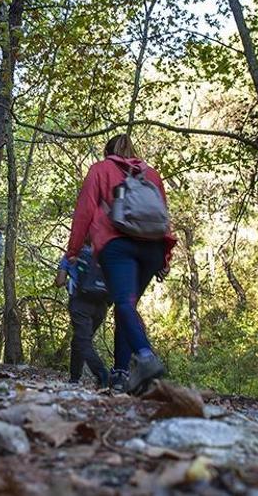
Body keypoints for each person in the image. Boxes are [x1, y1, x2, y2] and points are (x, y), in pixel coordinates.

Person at [64, 134, 176, 395]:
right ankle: (121, 372)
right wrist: (165, 257)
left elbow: (85, 210)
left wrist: (73, 250)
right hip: (153, 247)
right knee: (129, 307)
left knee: (124, 303)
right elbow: (163, 215)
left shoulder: (100, 170)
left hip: (117, 244)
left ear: (108, 151)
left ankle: (145, 356)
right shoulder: (152, 174)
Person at [56, 245, 110, 388]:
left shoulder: (71, 254)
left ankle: (101, 373)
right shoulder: (104, 252)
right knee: (80, 339)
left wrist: (68, 281)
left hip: (80, 302)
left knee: (83, 340)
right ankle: (74, 377)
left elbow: (59, 282)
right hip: (101, 305)